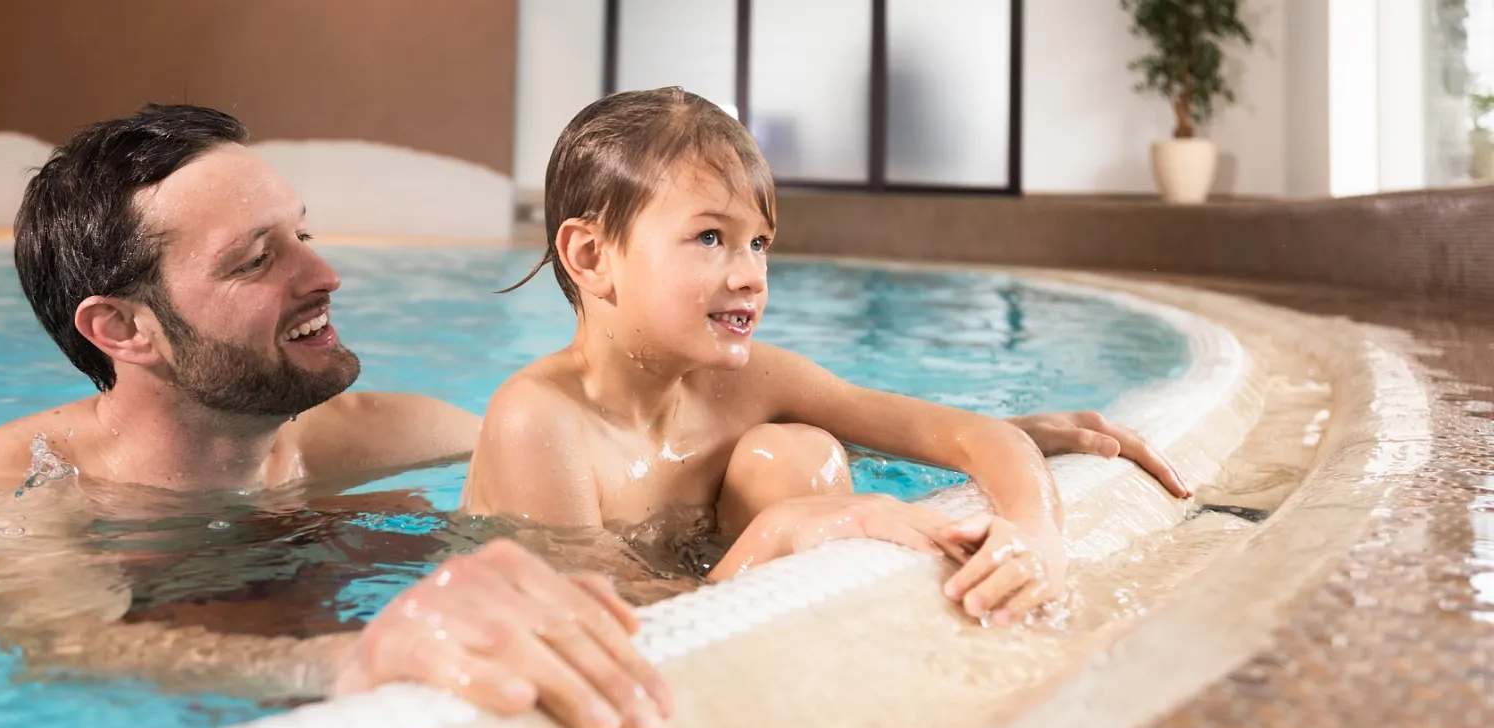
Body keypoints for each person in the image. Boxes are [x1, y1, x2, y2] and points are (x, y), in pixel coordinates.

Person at [0, 103, 1189, 728]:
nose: (325, 273)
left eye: (305, 229)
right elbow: (81, 657)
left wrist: (973, 434)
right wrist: (353, 659)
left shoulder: (384, 430)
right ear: (122, 330)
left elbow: (633, 444)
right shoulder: (13, 490)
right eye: (262, 256)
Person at [461, 87, 1191, 627]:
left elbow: (978, 436)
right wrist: (789, 530)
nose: (749, 274)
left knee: (794, 455)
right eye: (711, 238)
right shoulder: (540, 422)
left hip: (710, 579)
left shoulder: (748, 384)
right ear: (591, 256)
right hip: (618, 630)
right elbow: (622, 628)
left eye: (759, 243)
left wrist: (1036, 534)